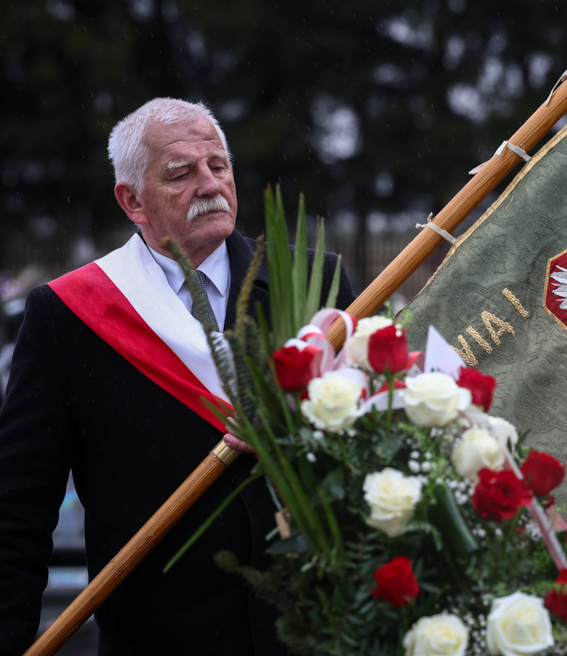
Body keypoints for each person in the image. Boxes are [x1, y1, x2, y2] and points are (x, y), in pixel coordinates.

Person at [0, 98, 353, 656]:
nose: (210, 185)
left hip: (312, 631)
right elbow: (19, 505)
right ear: (132, 201)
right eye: (180, 173)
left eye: (218, 165)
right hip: (160, 639)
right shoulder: (68, 316)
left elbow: (374, 439)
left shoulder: (316, 281)